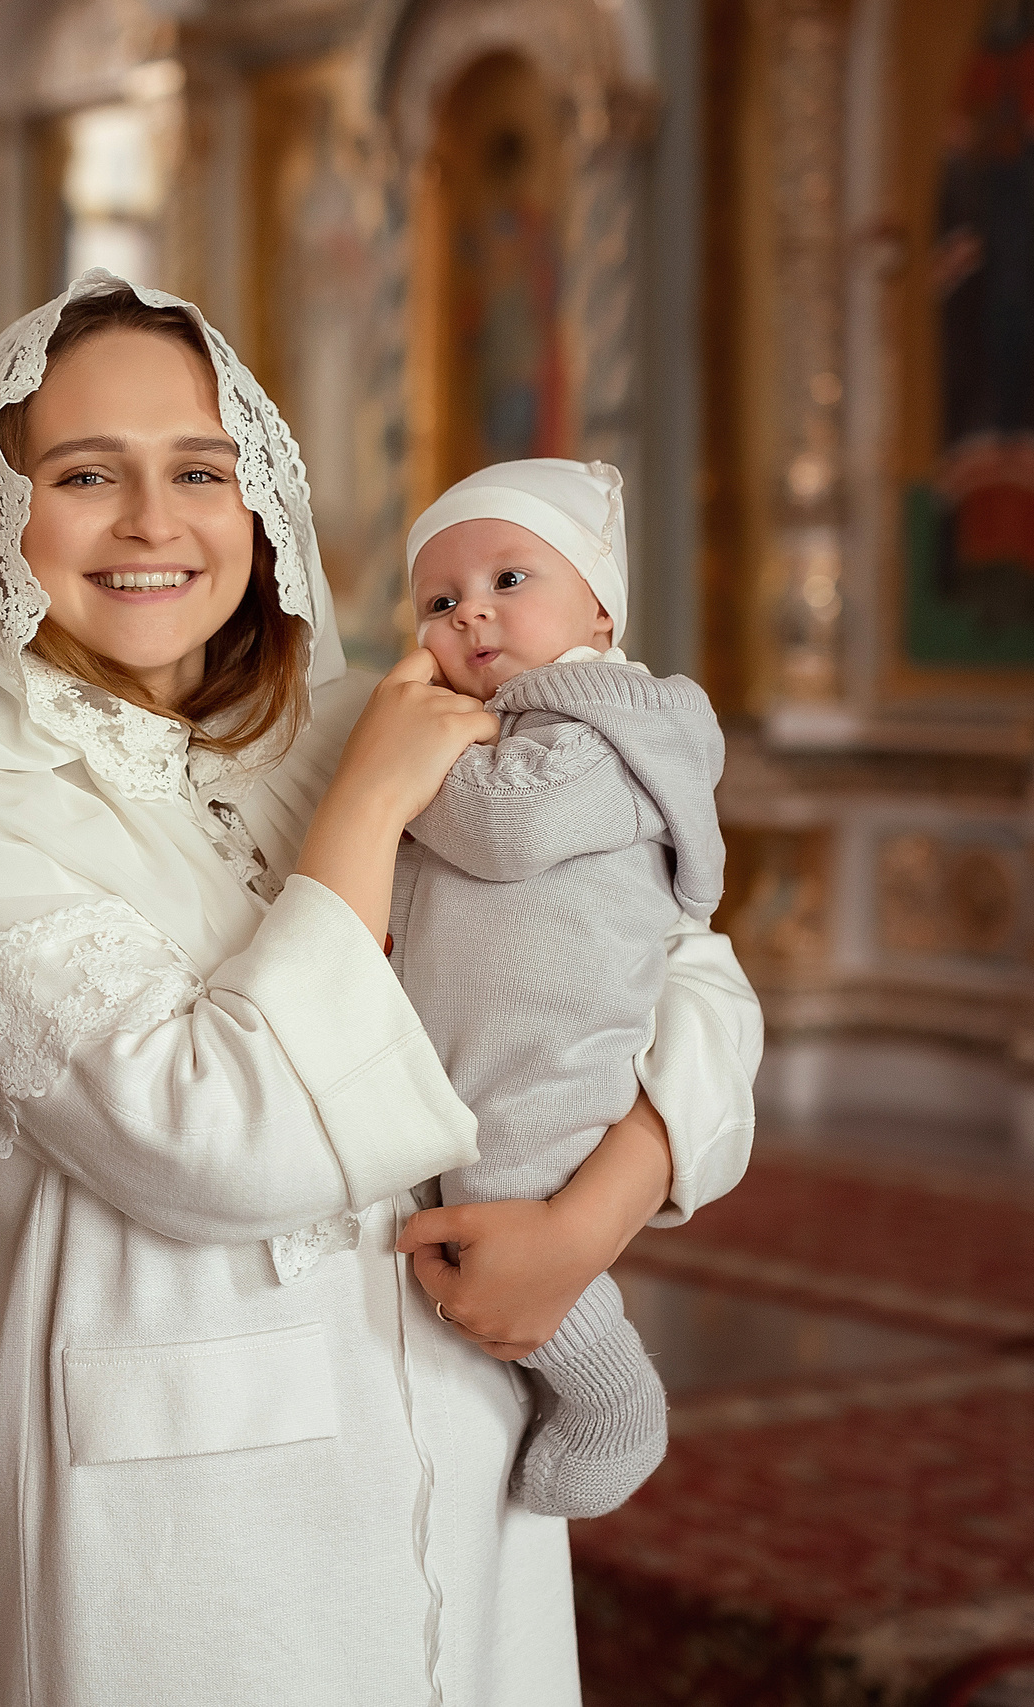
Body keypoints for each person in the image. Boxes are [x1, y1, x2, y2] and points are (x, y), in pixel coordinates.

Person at [0, 272, 761, 1706]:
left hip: (466, 1404)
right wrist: (373, 802)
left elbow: (686, 962)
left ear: (258, 496)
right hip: (188, 1502)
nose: (154, 522)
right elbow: (213, 1140)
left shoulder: (357, 714)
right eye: (87, 473)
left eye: (199, 470)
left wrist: (590, 1219)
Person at [392, 458, 729, 1522]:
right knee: (475, 1204)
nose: (470, 616)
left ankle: (612, 1395)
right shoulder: (518, 728)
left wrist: (394, 763)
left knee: (509, 1193)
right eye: (438, 603)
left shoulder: (612, 724)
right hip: (481, 1047)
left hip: (554, 1056)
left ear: (597, 608)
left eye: (507, 579)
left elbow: (506, 828)